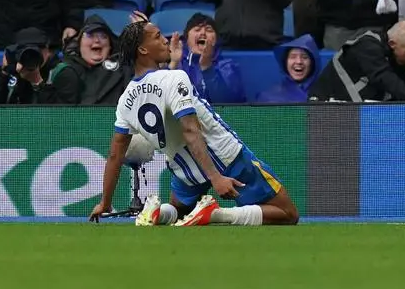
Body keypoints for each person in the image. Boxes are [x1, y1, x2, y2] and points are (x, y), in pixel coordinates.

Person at [89, 19, 299, 227]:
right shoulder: (174, 78)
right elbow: (190, 130)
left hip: (186, 171)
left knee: (179, 210)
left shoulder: (125, 100)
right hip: (225, 158)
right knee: (287, 213)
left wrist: (105, 203)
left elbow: (115, 154)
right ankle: (216, 215)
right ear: (143, 50)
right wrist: (216, 178)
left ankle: (158, 212)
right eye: (158, 36)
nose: (166, 40)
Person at [309, 20, 405, 102]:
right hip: (326, 106)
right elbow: (382, 76)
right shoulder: (367, 45)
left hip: (358, 111)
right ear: (392, 44)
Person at [166, 11, 247, 104]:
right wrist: (173, 63)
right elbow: (159, 97)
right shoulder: (176, 65)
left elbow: (229, 103)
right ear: (187, 39)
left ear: (216, 40)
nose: (203, 33)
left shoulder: (227, 67)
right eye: (197, 29)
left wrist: (207, 68)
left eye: (209, 30)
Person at [47, 14, 128, 105]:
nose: (97, 40)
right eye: (90, 35)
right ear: (79, 45)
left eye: (103, 36)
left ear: (110, 47)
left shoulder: (124, 69)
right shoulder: (65, 70)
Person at [254, 34, 320, 103]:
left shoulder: (325, 94)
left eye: (304, 57)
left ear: (312, 63)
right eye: (293, 56)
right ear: (285, 62)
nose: (299, 61)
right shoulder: (267, 98)